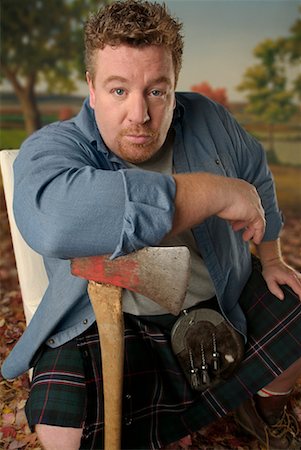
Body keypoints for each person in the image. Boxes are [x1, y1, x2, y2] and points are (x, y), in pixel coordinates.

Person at [2, 1, 301, 449]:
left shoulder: (210, 120)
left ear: (174, 86)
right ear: (91, 88)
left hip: (220, 301)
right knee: (60, 426)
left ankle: (264, 408)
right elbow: (56, 224)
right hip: (115, 319)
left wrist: (273, 256)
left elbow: (255, 173)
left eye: (157, 91)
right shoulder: (55, 148)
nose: (139, 115)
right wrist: (213, 191)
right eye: (119, 90)